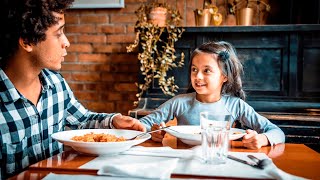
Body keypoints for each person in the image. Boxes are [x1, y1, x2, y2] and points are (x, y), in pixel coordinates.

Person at [0, 0, 145, 179]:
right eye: (59, 33)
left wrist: (113, 121)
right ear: (27, 41)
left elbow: (82, 120)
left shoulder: (55, 84)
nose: (66, 42)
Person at [139, 41, 285, 149]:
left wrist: (262, 138)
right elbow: (142, 125)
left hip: (221, 161)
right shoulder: (179, 103)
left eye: (207, 70)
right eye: (194, 69)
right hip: (183, 160)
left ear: (225, 76)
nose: (198, 77)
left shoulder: (235, 105)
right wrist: (153, 132)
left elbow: (277, 132)